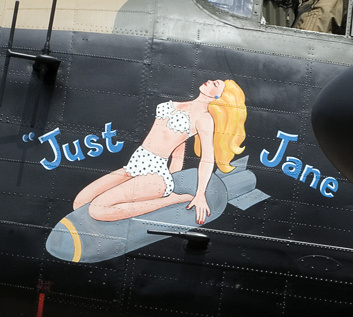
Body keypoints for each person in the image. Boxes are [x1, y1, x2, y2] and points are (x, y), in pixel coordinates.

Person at [73, 80, 246, 225]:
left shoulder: (204, 118)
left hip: (154, 173)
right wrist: (175, 173)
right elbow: (179, 144)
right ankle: (167, 194)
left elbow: (208, 158)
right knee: (79, 203)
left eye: (216, 84)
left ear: (218, 97)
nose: (211, 80)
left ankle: (170, 200)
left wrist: (200, 194)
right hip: (135, 164)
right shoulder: (178, 104)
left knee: (97, 210)